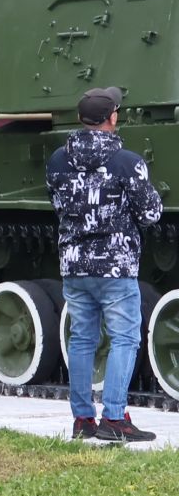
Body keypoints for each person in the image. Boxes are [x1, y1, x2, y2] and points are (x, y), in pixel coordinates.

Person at [48, 85, 162, 444]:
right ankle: (114, 418)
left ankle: (83, 419)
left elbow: (57, 205)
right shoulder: (128, 162)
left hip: (74, 265)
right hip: (115, 267)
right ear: (112, 117)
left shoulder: (57, 160)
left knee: (82, 339)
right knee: (125, 338)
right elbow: (151, 212)